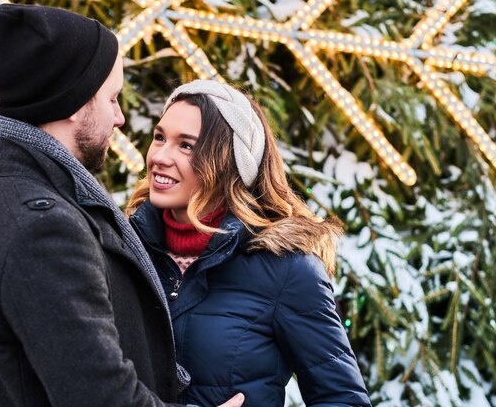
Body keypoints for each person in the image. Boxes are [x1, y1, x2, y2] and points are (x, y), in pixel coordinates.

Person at [0, 4, 244, 407]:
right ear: (74, 104)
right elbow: (100, 394)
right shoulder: (43, 228)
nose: (120, 117)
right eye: (112, 98)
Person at [126, 80, 372, 407]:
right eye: (159, 138)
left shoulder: (286, 269)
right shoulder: (124, 248)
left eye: (186, 145)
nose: (160, 156)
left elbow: (342, 399)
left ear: (229, 161)